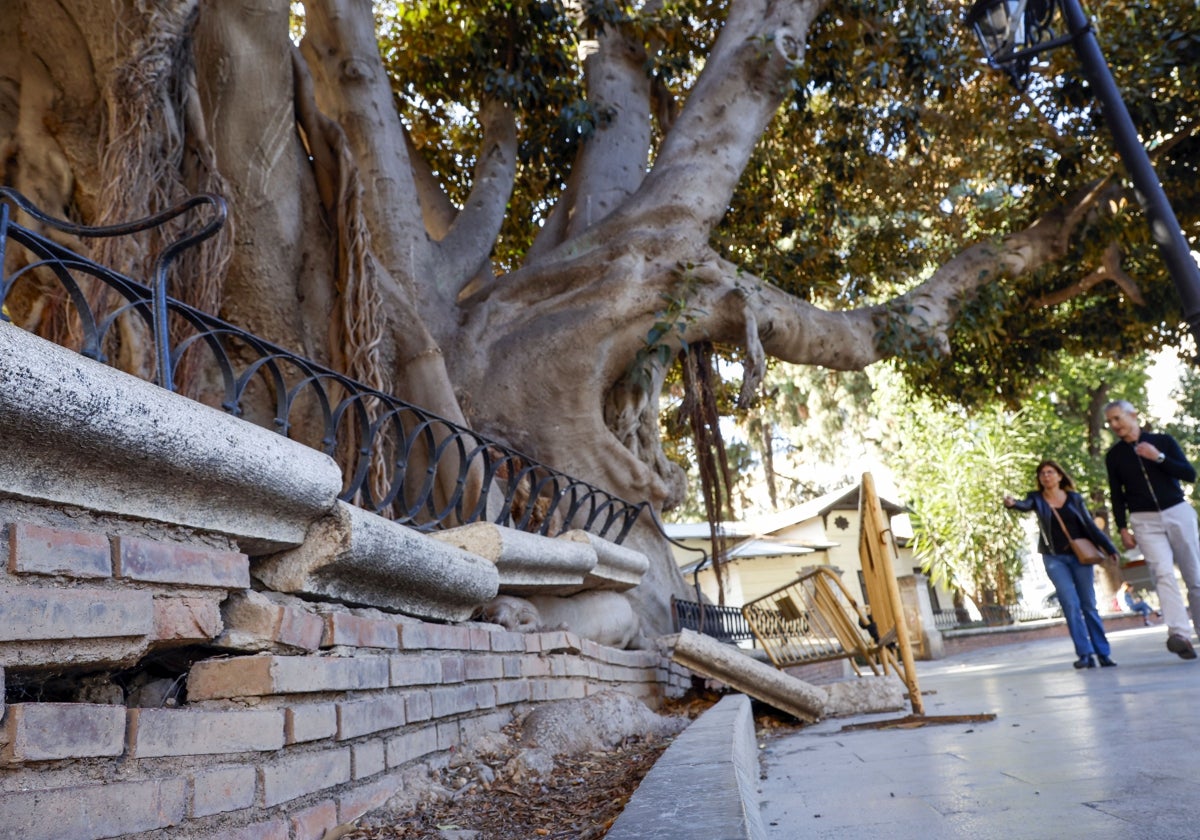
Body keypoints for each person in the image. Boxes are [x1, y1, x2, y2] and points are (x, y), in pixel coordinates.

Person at [1104, 399, 1200, 660]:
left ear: (1133, 414)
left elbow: (1189, 474)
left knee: (1195, 578)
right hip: (1144, 520)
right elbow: (1116, 495)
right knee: (1163, 574)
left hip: (1177, 511)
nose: (1113, 425)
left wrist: (1157, 457)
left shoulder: (1163, 441)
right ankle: (1179, 635)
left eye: (1117, 418)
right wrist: (1122, 528)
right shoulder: (1114, 456)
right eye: (1110, 421)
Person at [1005, 460, 1120, 669]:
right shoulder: (1036, 499)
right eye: (1042, 474)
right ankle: (1084, 654)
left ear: (1059, 476)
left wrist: (1109, 548)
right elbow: (1024, 505)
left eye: (1050, 472)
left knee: (1089, 605)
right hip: (1054, 558)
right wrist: (1013, 503)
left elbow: (1089, 526)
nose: (1046, 476)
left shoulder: (1074, 499)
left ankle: (1103, 653)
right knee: (1070, 603)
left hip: (1080, 557)